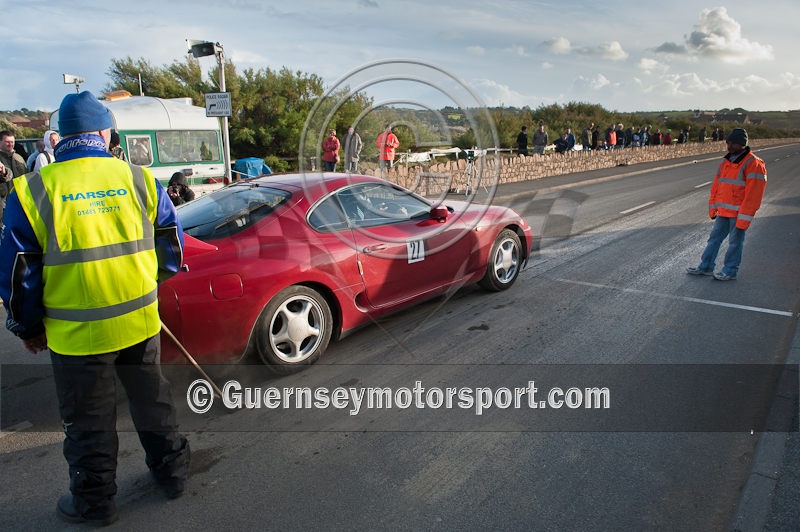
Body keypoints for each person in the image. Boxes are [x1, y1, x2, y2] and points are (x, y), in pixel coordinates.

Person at [0, 91, 190, 525]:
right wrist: (148, 282)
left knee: (88, 421)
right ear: (106, 133)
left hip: (76, 337)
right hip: (139, 323)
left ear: (62, 136)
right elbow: (172, 251)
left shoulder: (32, 190)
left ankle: (95, 501)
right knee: (152, 403)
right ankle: (173, 474)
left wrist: (27, 326)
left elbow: (18, 273)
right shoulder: (141, 179)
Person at [686, 128, 766, 281]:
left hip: (738, 213)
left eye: (733, 144)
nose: (729, 147)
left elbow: (754, 195)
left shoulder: (754, 163)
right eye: (728, 143)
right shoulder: (726, 161)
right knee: (713, 239)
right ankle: (706, 266)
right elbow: (717, 186)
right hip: (723, 211)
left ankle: (730, 271)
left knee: (735, 243)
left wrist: (744, 217)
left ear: (742, 144)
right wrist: (713, 206)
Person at [0, 130, 29, 221]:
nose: (10, 144)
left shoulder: (19, 158)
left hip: (19, 201)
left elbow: (27, 176)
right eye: (7, 142)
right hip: (3, 202)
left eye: (12, 142)